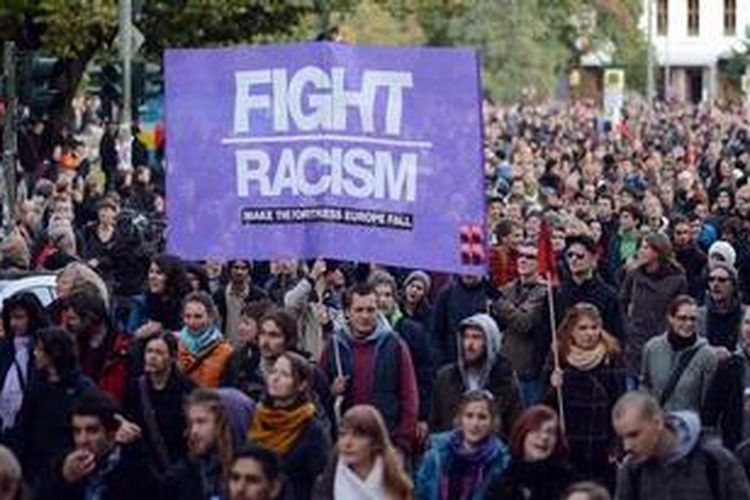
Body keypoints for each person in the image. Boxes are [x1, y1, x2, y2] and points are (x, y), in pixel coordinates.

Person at [319, 283, 418, 457]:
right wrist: (332, 391)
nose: (365, 316)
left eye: (371, 310)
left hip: (385, 443)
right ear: (348, 312)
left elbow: (409, 395)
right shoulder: (334, 346)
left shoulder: (394, 344)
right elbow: (317, 395)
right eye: (359, 310)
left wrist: (403, 443)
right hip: (346, 444)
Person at [612, 391, 750, 499]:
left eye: (634, 435)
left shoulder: (714, 461)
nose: (627, 446)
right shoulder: (632, 471)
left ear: (657, 423)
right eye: (622, 437)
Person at [546, 302, 626, 487]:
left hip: (601, 440)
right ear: (571, 330)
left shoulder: (610, 356)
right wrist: (552, 386)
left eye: (594, 327)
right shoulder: (559, 356)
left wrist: (616, 442)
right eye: (582, 328)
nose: (590, 333)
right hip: (570, 440)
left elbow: (620, 401)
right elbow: (545, 406)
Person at [16, 327, 94, 494]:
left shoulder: (82, 388)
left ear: (53, 353)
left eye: (39, 349)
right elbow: (24, 427)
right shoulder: (36, 387)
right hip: (37, 470)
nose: (35, 354)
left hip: (71, 467)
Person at [247, 352, 329, 500]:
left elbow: (321, 480)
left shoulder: (311, 429)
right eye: (273, 372)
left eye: (285, 374)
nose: (275, 378)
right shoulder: (256, 418)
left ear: (302, 384)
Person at [430, 313, 523, 437]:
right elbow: (435, 424)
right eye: (466, 337)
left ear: (490, 342)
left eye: (476, 337)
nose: (469, 344)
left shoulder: (506, 381)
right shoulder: (445, 378)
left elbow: (515, 428)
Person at [369, 270, 433, 447]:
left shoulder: (412, 331)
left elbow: (425, 375)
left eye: (387, 295)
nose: (383, 300)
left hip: (401, 419)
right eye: (377, 295)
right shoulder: (357, 335)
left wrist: (422, 417)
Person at [53, 389, 154, 500]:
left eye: (92, 431)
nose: (82, 440)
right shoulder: (67, 466)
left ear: (111, 434)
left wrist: (135, 449)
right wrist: (64, 479)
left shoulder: (133, 468)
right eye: (77, 431)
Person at [122, 331, 195, 478]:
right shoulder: (135, 387)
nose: (152, 357)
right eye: (149, 351)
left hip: (176, 470)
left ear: (172, 357)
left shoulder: (187, 390)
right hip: (142, 469)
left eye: (159, 352)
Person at [417, 390, 510, 499]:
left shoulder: (501, 461)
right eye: (469, 416)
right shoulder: (436, 453)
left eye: (482, 417)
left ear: (492, 422)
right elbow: (421, 493)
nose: (475, 424)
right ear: (460, 419)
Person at [620, 233, 687, 381]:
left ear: (658, 251)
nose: (640, 252)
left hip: (663, 341)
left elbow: (680, 310)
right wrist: (628, 327)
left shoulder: (677, 279)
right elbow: (622, 302)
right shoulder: (634, 276)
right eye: (640, 247)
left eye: (645, 248)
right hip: (635, 342)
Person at [313, 405, 413, 500]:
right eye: (343, 434)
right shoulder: (329, 481)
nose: (347, 443)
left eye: (357, 436)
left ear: (375, 442)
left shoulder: (394, 482)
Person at [640, 295, 717, 415]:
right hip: (658, 425)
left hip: (689, 426)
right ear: (670, 318)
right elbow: (645, 385)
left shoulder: (707, 355)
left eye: (693, 319)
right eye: (682, 318)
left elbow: (707, 399)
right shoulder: (652, 348)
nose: (688, 324)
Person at [494, 239, 548, 406]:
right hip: (505, 367)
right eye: (520, 255)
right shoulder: (508, 288)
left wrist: (498, 301)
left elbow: (524, 322)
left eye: (530, 257)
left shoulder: (544, 292)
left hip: (529, 371)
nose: (523, 260)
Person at [484, 405, 579, 499]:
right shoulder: (502, 482)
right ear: (522, 435)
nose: (544, 437)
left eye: (551, 432)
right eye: (536, 430)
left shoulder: (569, 483)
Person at [163, 388, 235, 500]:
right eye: (191, 423)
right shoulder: (181, 475)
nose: (194, 431)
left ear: (220, 424)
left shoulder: (245, 473)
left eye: (201, 421)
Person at [62, 291, 131, 403]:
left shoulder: (120, 345)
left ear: (90, 316)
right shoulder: (75, 342)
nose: (70, 324)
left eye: (73, 319)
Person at [0, 293, 48, 442]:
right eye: (11, 318)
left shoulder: (45, 347)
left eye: (19, 317)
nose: (14, 323)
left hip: (34, 426)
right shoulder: (4, 348)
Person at [556, 235, 622, 341]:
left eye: (580, 256)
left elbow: (617, 335)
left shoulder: (608, 296)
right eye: (570, 255)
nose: (574, 259)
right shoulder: (557, 293)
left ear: (593, 258)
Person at [432, 274, 496, 366]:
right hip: (452, 361)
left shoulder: (491, 295)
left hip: (482, 364)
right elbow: (436, 332)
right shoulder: (446, 294)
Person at [176, 291, 233, 388]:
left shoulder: (226, 351)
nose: (192, 322)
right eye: (187, 316)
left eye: (198, 316)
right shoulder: (173, 343)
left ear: (210, 317)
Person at [128, 254, 191, 336]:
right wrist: (139, 334)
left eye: (159, 273)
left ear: (172, 277)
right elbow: (129, 334)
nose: (152, 277)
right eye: (151, 272)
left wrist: (162, 331)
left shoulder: (189, 303)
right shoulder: (141, 302)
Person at [214, 260, 268, 345]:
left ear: (248, 271)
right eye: (236, 267)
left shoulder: (259, 296)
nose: (239, 272)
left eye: (243, 268)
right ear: (229, 270)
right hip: (224, 346)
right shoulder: (219, 294)